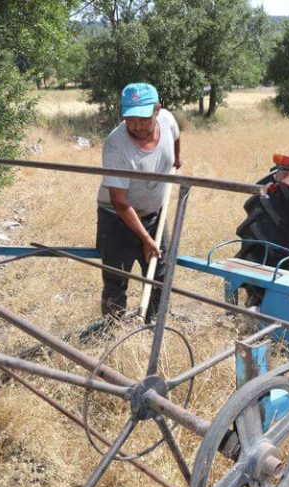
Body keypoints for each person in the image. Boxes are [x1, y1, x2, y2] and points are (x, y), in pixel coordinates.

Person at [96, 82, 181, 321]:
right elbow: (120, 202)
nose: (136, 125)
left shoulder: (167, 120)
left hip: (155, 214)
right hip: (116, 219)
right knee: (116, 279)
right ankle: (112, 330)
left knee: (161, 274)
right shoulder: (116, 146)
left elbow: (175, 135)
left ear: (157, 110)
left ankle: (154, 324)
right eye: (130, 118)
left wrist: (178, 157)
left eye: (143, 118)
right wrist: (146, 239)